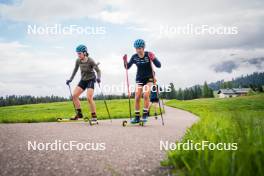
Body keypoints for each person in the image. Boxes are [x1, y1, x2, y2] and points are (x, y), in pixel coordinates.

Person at [123, 39, 161, 123]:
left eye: (140, 48)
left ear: (143, 48)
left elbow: (159, 65)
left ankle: (145, 114)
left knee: (146, 95)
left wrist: (153, 58)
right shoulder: (134, 57)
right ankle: (137, 117)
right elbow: (127, 67)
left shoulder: (148, 55)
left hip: (149, 78)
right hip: (140, 78)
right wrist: (124, 61)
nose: (138, 50)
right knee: (137, 96)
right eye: (136, 48)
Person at [66, 44, 101, 121]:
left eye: (80, 53)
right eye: (77, 53)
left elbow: (98, 71)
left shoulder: (90, 61)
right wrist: (70, 79)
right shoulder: (78, 61)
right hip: (83, 80)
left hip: (91, 80)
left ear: (84, 53)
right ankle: (79, 114)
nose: (78, 55)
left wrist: (99, 78)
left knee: (89, 97)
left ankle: (94, 116)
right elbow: (75, 70)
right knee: (74, 95)